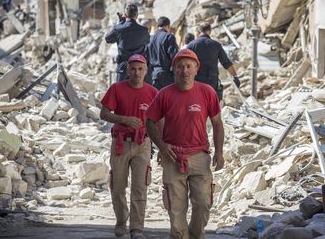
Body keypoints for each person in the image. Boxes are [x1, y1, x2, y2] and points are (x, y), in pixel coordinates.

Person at [146, 49, 225, 239]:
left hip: (200, 157)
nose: (184, 70)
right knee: (175, 209)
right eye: (180, 66)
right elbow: (149, 121)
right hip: (173, 157)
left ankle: (195, 235)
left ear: (196, 69)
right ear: (173, 69)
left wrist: (219, 152)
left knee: (203, 204)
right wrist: (162, 147)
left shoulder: (207, 92)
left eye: (189, 66)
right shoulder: (164, 95)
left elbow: (217, 123)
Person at [100, 54, 157, 239]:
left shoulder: (153, 93)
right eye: (133, 69)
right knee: (118, 185)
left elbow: (159, 120)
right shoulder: (117, 88)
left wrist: (163, 145)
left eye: (140, 69)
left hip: (143, 144)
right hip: (120, 143)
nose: (137, 72)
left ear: (146, 70)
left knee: (140, 187)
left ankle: (136, 228)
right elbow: (104, 113)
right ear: (127, 70)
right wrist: (123, 119)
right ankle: (121, 220)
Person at [187, 23, 240, 100]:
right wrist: (235, 77)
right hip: (212, 82)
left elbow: (185, 63)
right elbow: (226, 63)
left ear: (199, 31)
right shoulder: (216, 45)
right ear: (210, 31)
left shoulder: (191, 45)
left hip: (196, 81)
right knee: (212, 107)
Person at [105, 4, 150, 82]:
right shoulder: (143, 30)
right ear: (137, 15)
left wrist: (120, 23)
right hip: (138, 68)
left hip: (124, 67)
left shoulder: (119, 29)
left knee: (121, 92)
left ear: (125, 15)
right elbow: (147, 41)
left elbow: (108, 39)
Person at [147, 16, 179, 90]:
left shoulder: (150, 38)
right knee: (169, 97)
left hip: (153, 74)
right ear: (168, 26)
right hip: (166, 74)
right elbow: (174, 55)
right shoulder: (169, 36)